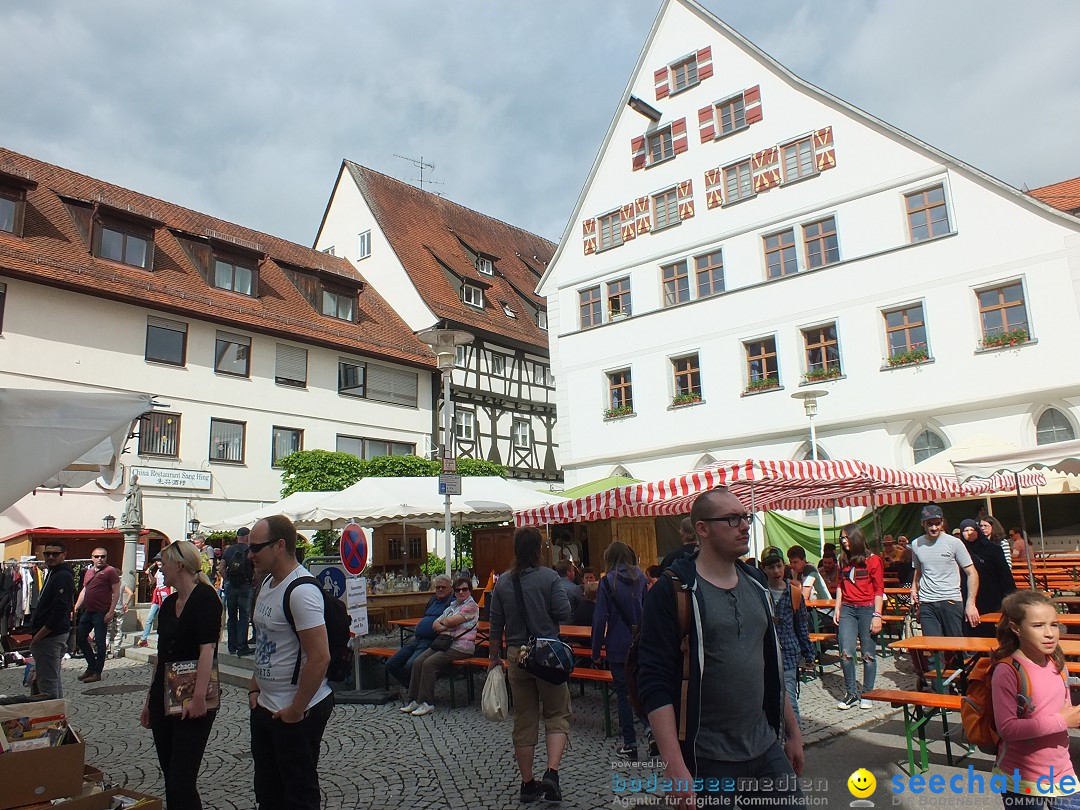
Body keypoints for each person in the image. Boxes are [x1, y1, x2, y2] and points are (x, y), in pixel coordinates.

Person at [638, 488, 804, 809]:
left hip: (765, 745)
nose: (744, 525)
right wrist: (674, 764)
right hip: (708, 758)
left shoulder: (757, 582)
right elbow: (653, 681)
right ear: (702, 529)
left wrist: (792, 732)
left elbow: (770, 664)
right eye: (731, 519)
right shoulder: (674, 591)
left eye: (745, 517)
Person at [248, 515, 333, 810]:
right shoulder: (269, 583)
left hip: (295, 710)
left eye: (256, 547)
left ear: (280, 546)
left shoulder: (302, 591)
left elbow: (320, 656)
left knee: (298, 795)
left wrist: (296, 710)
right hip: (266, 705)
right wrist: (254, 689)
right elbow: (264, 640)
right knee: (268, 793)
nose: (250, 554)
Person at [488, 527, 572, 804]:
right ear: (538, 549)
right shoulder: (549, 577)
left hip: (516, 656)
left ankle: (527, 784)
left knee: (524, 719)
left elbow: (495, 624)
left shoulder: (502, 583)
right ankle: (552, 773)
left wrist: (493, 658)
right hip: (547, 654)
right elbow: (563, 612)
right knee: (557, 713)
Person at [138, 541, 222, 810]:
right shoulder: (168, 603)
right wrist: (149, 699)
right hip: (164, 696)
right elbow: (161, 656)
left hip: (193, 697)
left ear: (180, 565)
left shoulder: (206, 598)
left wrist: (199, 697)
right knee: (171, 776)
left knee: (182, 780)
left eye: (164, 563)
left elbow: (207, 649)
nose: (160, 569)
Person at [992, 590, 1080, 805]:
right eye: (1038, 626)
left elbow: (1064, 708)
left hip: (1062, 772)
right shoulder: (1007, 671)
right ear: (1016, 628)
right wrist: (1063, 721)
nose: (1050, 633)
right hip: (1022, 778)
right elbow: (1007, 729)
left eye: (1054, 624)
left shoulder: (1057, 663)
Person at [592, 540, 650, 759]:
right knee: (643, 689)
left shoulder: (607, 583)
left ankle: (630, 743)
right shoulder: (642, 578)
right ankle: (650, 730)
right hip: (640, 642)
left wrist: (596, 651)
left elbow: (599, 619)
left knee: (624, 695)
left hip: (617, 645)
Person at [400, 577, 479, 716]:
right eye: (458, 590)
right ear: (454, 592)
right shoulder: (454, 605)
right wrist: (445, 623)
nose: (461, 592)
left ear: (470, 591)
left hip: (461, 647)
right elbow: (435, 624)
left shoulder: (472, 606)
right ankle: (414, 699)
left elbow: (452, 621)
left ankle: (427, 702)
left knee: (429, 664)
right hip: (445, 643)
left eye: (464, 589)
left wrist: (445, 623)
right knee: (418, 661)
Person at [761, 548, 815, 724]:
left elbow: (801, 626)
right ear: (763, 569)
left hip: (789, 654)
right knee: (769, 699)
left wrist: (809, 654)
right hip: (765, 654)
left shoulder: (794, 593)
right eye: (771, 567)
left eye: (778, 566)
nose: (776, 571)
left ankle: (795, 737)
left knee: (789, 699)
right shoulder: (760, 593)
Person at [833, 524, 884, 710]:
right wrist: (837, 607)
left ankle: (867, 693)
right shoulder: (842, 560)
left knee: (868, 654)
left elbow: (879, 589)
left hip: (867, 609)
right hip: (847, 609)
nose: (843, 541)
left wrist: (877, 615)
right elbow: (840, 585)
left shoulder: (873, 560)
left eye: (846, 538)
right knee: (846, 652)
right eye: (841, 539)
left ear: (856, 538)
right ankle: (851, 693)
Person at [911, 504, 980, 636]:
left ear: (942, 522)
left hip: (950, 600)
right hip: (927, 602)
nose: (934, 527)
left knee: (955, 646)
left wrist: (970, 603)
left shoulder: (954, 543)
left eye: (937, 523)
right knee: (932, 648)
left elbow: (972, 573)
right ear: (922, 523)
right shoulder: (916, 544)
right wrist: (914, 590)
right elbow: (918, 571)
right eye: (929, 524)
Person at [386, 576, 453, 689]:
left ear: (450, 588)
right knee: (391, 664)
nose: (440, 590)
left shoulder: (452, 603)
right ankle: (413, 688)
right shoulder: (432, 600)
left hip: (431, 642)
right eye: (437, 587)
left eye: (443, 587)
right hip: (416, 640)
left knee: (410, 665)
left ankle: (416, 693)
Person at [29, 541, 75, 699]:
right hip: (50, 634)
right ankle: (58, 716)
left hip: (51, 636)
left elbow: (59, 611)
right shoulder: (53, 573)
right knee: (51, 680)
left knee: (47, 684)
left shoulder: (62, 576)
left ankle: (53, 720)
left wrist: (39, 636)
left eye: (55, 554)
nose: (50, 557)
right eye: (47, 554)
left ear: (64, 555)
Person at [959, 519, 1016, 639]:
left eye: (972, 529)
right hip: (969, 596)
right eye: (966, 530)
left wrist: (1011, 597)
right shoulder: (958, 550)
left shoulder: (993, 549)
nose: (970, 533)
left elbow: (1005, 574)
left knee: (994, 632)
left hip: (992, 595)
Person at [74, 546, 121, 683]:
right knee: (81, 638)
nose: (100, 559)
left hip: (101, 612)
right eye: (97, 556)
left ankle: (97, 672)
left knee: (100, 643)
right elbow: (84, 590)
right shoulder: (88, 572)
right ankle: (91, 666)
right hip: (88, 611)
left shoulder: (110, 571)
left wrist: (111, 611)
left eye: (103, 556)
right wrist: (76, 607)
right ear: (92, 557)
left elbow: (116, 592)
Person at [222, 527, 255, 655]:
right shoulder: (249, 550)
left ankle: (232, 646)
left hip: (231, 586)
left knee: (231, 617)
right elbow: (255, 569)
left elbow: (221, 568)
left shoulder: (229, 549)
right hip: (245, 586)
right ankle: (242, 647)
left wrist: (228, 580)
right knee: (243, 616)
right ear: (247, 537)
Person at [136, 557, 171, 648]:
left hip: (164, 593)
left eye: (160, 560)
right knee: (150, 617)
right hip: (157, 593)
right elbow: (153, 581)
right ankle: (144, 638)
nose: (158, 562)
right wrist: (149, 574)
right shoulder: (158, 571)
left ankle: (163, 636)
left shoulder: (167, 570)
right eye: (157, 560)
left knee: (163, 617)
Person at [106, 578, 135, 658]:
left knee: (107, 631)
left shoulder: (109, 583)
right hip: (119, 609)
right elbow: (131, 593)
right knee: (118, 630)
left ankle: (105, 650)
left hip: (110, 609)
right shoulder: (122, 583)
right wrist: (126, 604)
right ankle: (116, 651)